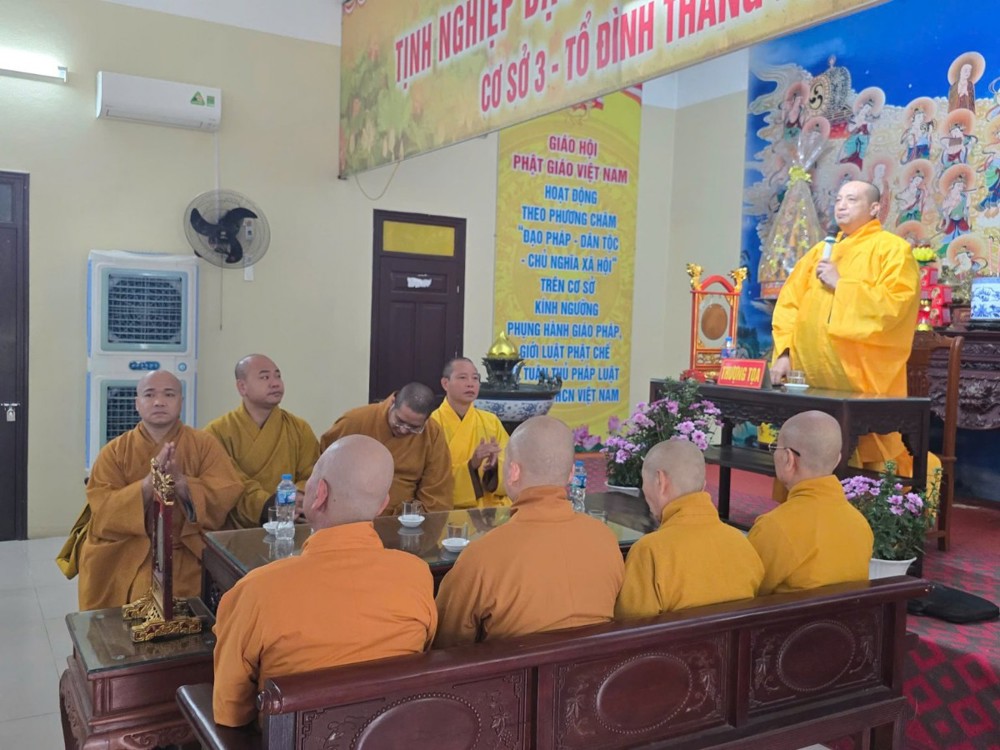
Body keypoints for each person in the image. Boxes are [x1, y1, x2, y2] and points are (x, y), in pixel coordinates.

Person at [212, 435, 437, 727]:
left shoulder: (258, 590)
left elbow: (231, 712)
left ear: (319, 494)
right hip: (391, 736)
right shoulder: (416, 574)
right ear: (382, 505)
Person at [770, 180, 924, 477]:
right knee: (804, 444)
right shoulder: (820, 252)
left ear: (875, 208)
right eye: (839, 199)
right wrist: (785, 353)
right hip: (808, 372)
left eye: (852, 199)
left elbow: (895, 306)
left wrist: (842, 284)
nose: (841, 205)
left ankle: (862, 503)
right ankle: (804, 500)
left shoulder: (892, 249)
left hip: (858, 375)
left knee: (859, 459)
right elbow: (789, 304)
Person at [434, 416, 624, 648]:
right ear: (571, 473)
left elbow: (447, 643)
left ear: (513, 472)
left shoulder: (483, 556)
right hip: (595, 670)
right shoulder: (605, 539)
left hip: (516, 672)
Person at [78, 371, 242, 611]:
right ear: (137, 403)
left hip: (188, 548)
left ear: (181, 402)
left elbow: (226, 491)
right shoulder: (114, 452)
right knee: (138, 593)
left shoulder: (205, 445)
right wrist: (147, 485)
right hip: (130, 548)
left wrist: (182, 483)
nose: (159, 401)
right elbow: (103, 510)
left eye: (169, 394)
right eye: (149, 394)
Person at [615, 440, 763, 618]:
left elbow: (631, 626)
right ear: (703, 486)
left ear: (660, 481)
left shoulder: (650, 551)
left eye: (644, 482)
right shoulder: (743, 544)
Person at [749, 411, 873, 594]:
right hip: (846, 613)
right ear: (837, 460)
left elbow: (746, 589)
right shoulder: (860, 524)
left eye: (775, 447)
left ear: (788, 458)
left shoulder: (775, 527)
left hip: (791, 614)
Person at [204, 354, 320, 528]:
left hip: (291, 524)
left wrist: (294, 498)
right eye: (265, 377)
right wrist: (270, 505)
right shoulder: (216, 432)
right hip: (235, 532)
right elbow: (229, 483)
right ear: (242, 387)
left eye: (278, 376)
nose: (275, 383)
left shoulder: (299, 428)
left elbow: (312, 474)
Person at [319, 383, 453, 514]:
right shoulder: (355, 421)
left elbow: (437, 492)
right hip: (350, 514)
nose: (403, 430)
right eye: (399, 421)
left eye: (413, 427)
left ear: (426, 420)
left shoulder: (432, 434)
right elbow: (322, 465)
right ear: (392, 403)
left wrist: (414, 519)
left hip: (404, 519)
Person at [430, 357, 509, 509]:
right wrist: (471, 466)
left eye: (475, 378)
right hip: (447, 509)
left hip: (490, 509)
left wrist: (494, 468)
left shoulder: (491, 422)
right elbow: (431, 477)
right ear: (445, 383)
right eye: (462, 377)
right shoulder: (432, 425)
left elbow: (511, 466)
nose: (470, 383)